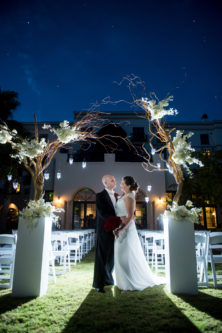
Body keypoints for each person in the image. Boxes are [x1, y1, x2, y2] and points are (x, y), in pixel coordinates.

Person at [114, 176, 156, 291]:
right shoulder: (123, 195)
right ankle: (122, 283)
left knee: (124, 256)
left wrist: (121, 230)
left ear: (128, 185)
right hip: (120, 227)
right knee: (119, 255)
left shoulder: (129, 196)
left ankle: (129, 283)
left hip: (126, 230)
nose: (120, 185)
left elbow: (130, 216)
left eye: (122, 183)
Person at [93, 174, 118, 293]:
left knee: (112, 257)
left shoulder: (117, 196)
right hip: (104, 230)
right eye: (112, 180)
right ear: (105, 183)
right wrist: (116, 223)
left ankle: (108, 279)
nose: (115, 181)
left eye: (114, 179)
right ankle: (99, 284)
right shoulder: (99, 196)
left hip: (116, 231)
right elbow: (102, 213)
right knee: (101, 257)